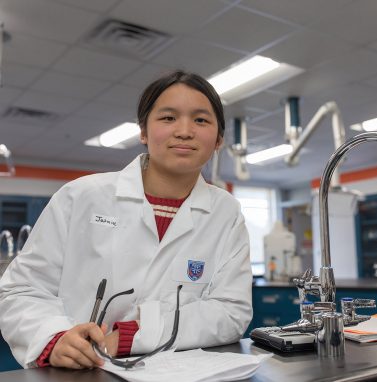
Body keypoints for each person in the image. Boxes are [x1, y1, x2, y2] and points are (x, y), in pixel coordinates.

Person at [0, 70, 253, 369]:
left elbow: (231, 312)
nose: (185, 131)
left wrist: (133, 335)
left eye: (201, 120)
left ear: (219, 139)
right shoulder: (82, 195)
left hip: (175, 373)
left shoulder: (226, 212)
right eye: (168, 118)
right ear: (143, 132)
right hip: (79, 371)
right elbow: (21, 290)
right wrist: (54, 338)